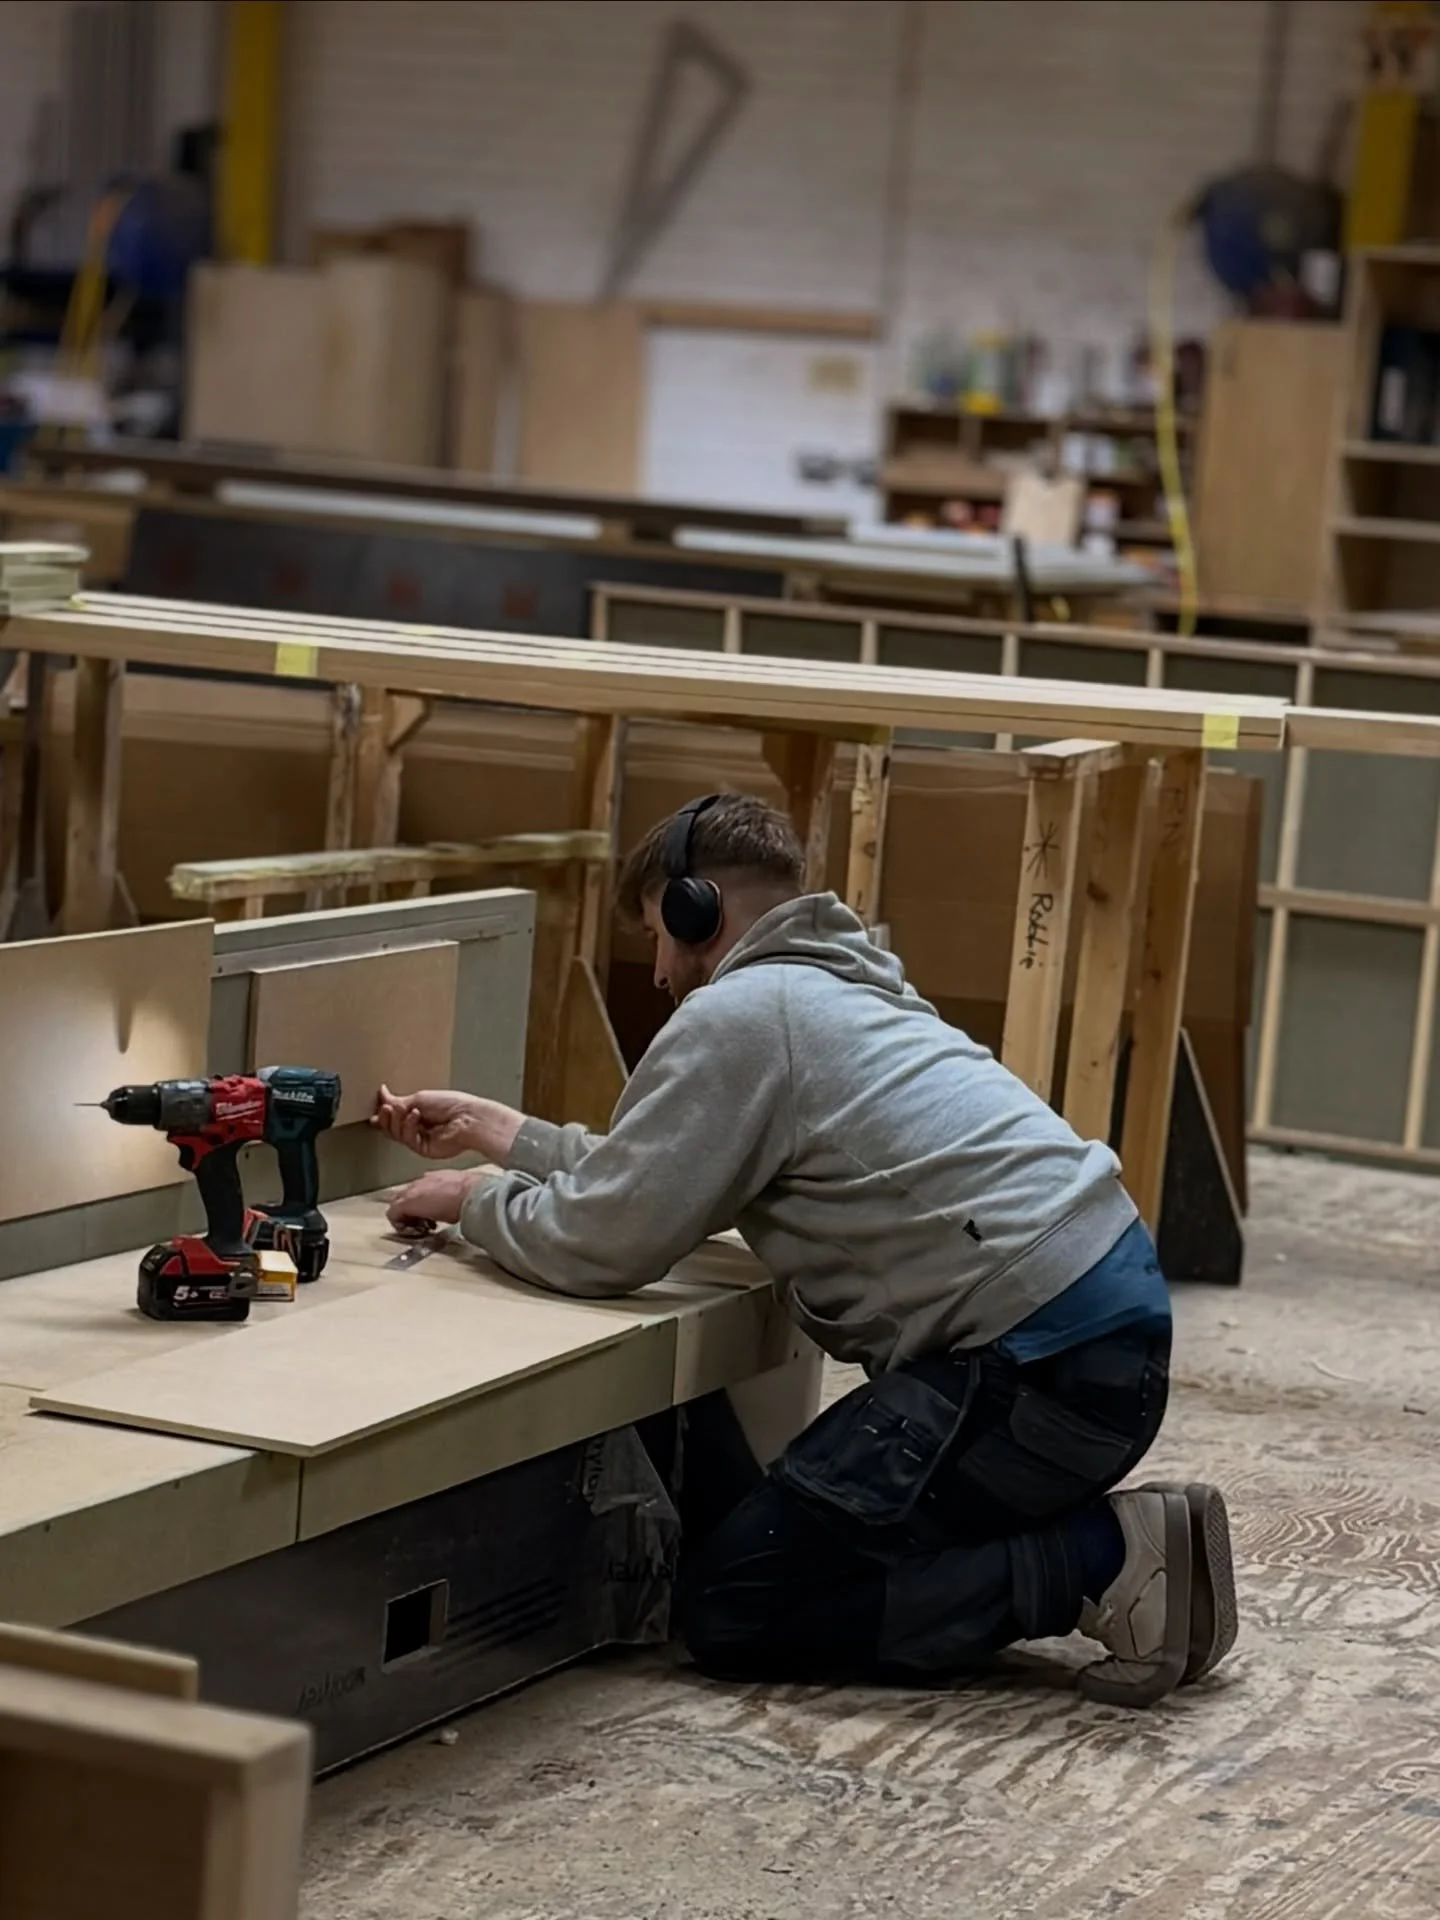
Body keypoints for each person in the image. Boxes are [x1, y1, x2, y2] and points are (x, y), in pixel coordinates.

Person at [374, 792, 1237, 1707]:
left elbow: (601, 1242)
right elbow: (670, 1167)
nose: (660, 972)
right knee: (775, 1540)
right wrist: (507, 1134)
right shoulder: (837, 989)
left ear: (692, 909)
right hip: (1096, 1337)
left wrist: (476, 1203)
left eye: (657, 937)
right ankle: (1084, 1545)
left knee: (739, 1607)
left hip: (1034, 1373)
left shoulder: (743, 1014)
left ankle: (1102, 1563)